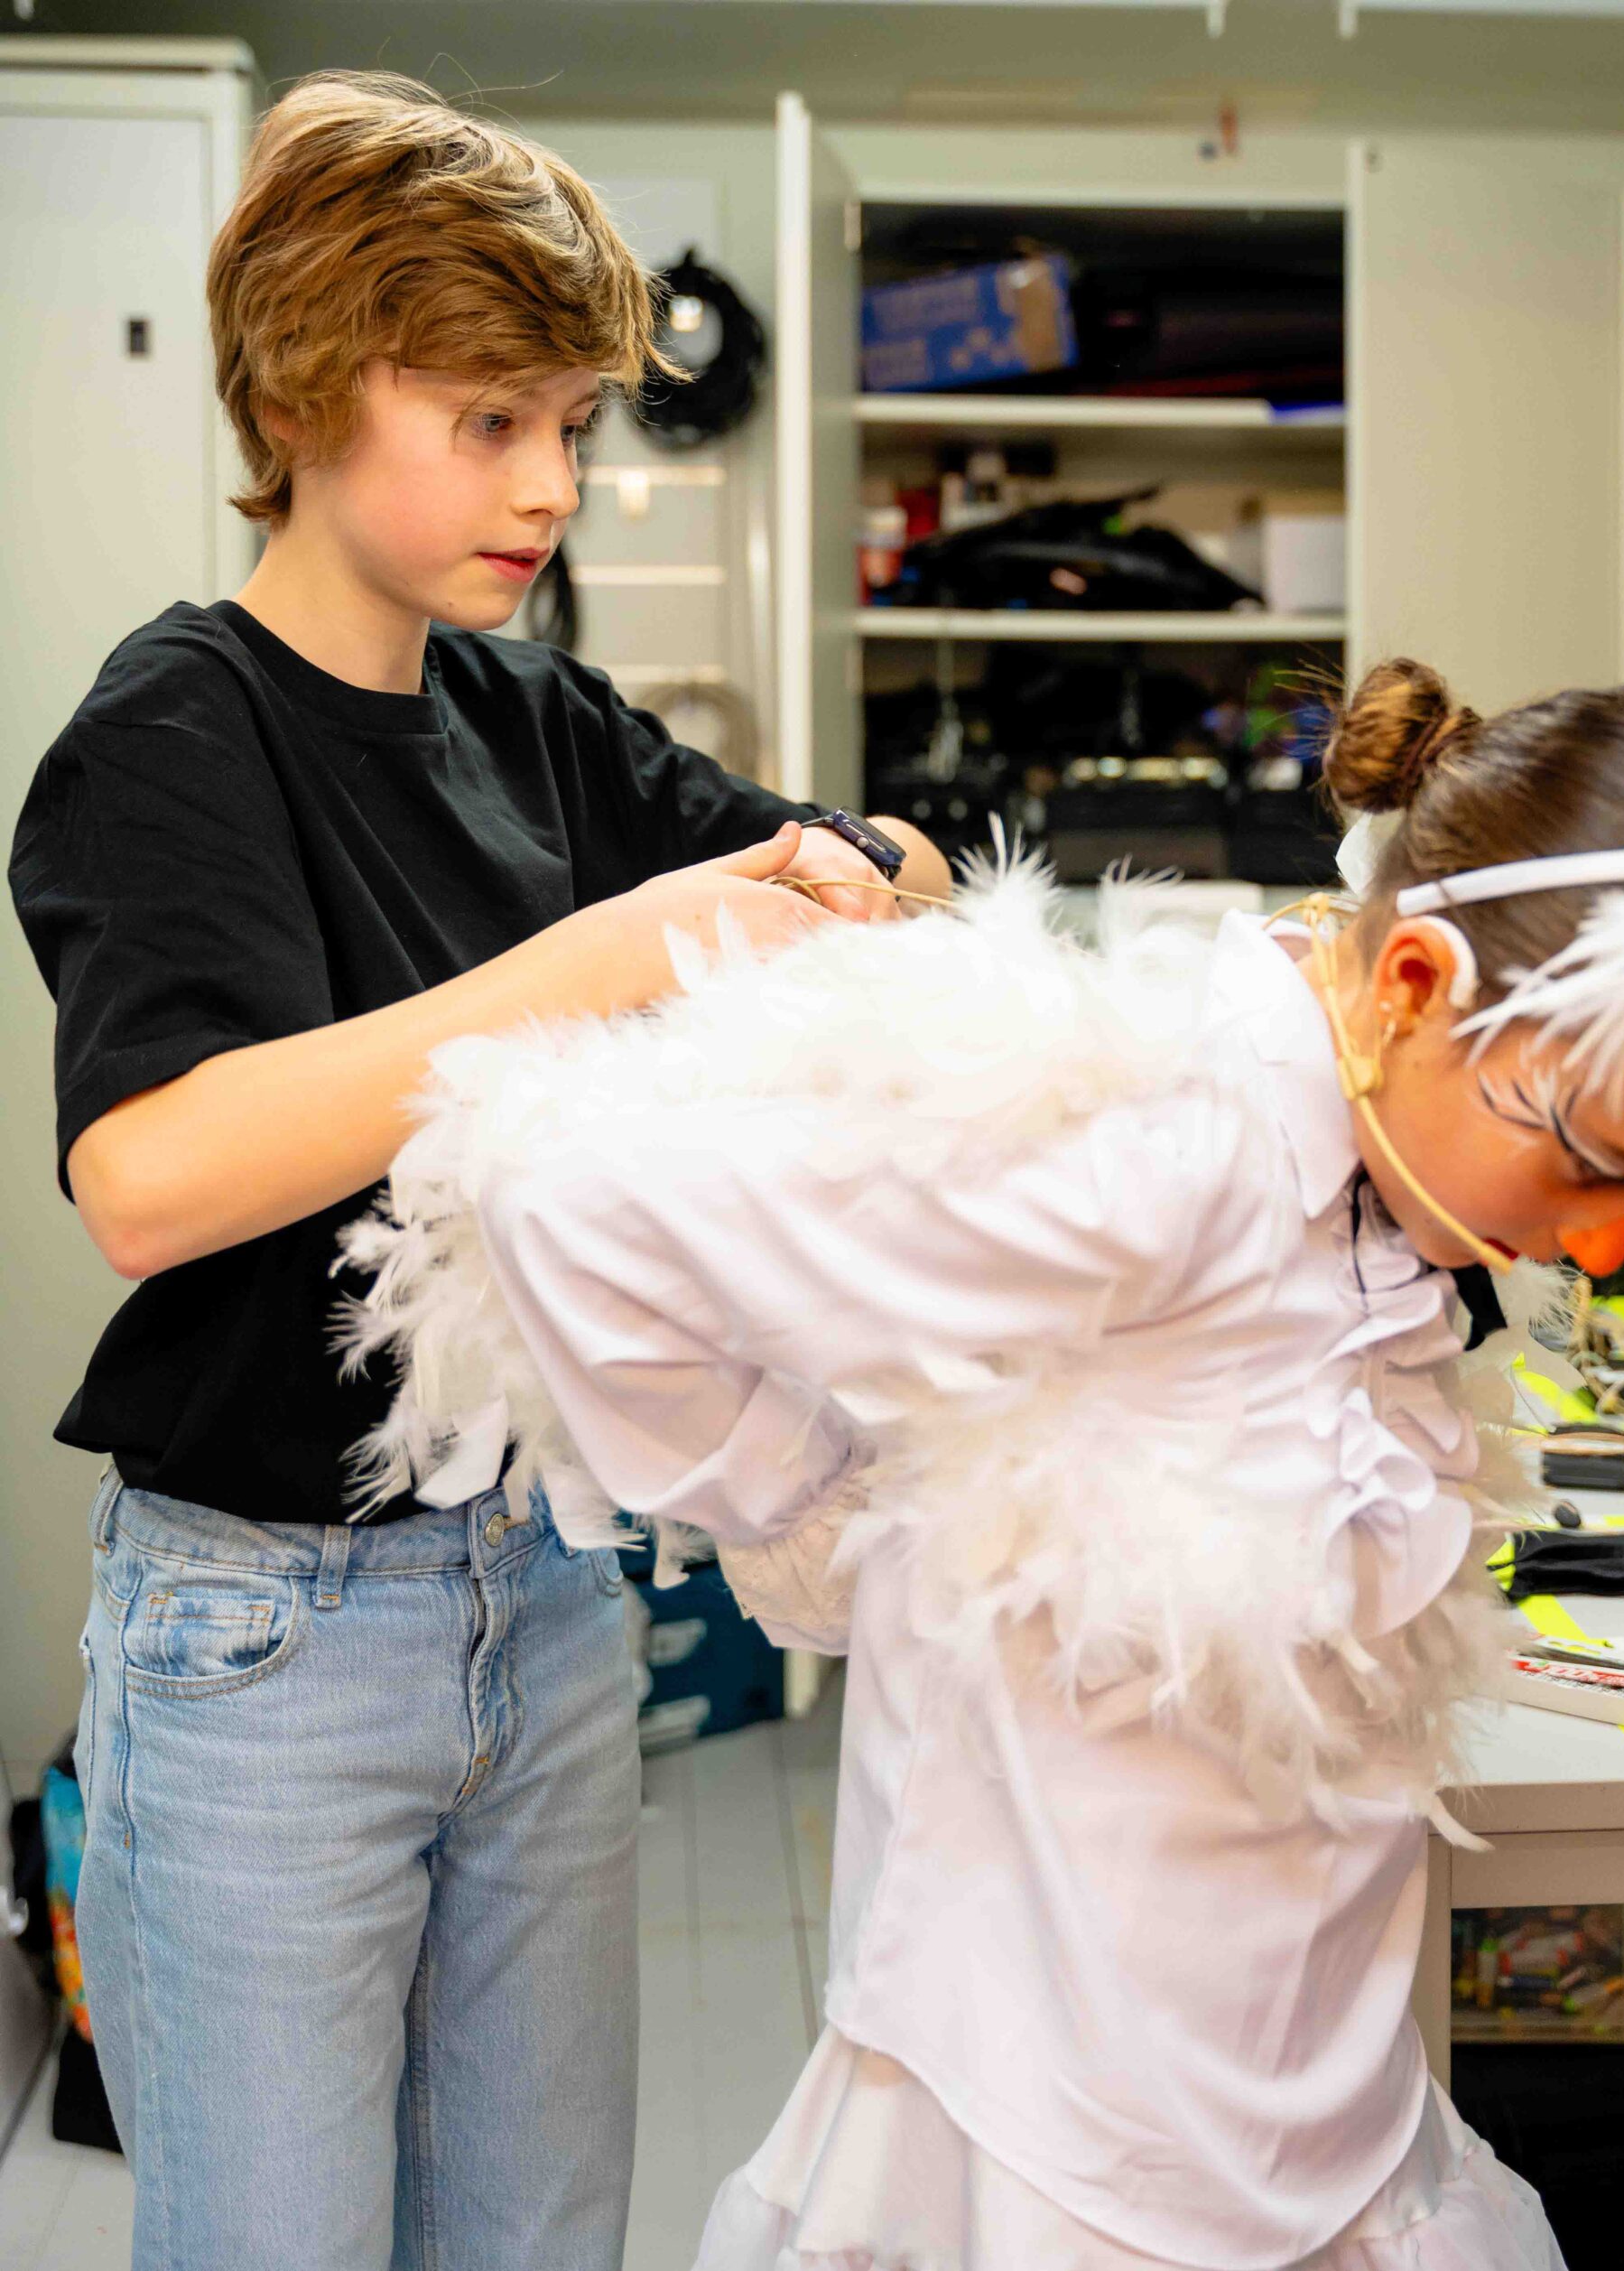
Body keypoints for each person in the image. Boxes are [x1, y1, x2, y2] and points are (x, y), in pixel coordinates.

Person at [349, 656, 1624, 2271]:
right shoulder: (1162, 1160)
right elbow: (571, 1205)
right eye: (1595, 1164)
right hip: (1059, 2143)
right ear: (1418, 983)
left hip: (1318, 2088)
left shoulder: (1396, 1158)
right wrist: (816, 1514)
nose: (1605, 1239)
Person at [6, 70, 947, 2271]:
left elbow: (806, 867)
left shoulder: (531, 717)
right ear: (318, 388)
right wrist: (594, 962)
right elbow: (150, 1176)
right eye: (490, 419)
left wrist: (868, 879)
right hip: (263, 1641)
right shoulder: (173, 731)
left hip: (539, 1593)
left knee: (535, 2239)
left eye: (573, 425)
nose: (551, 482)